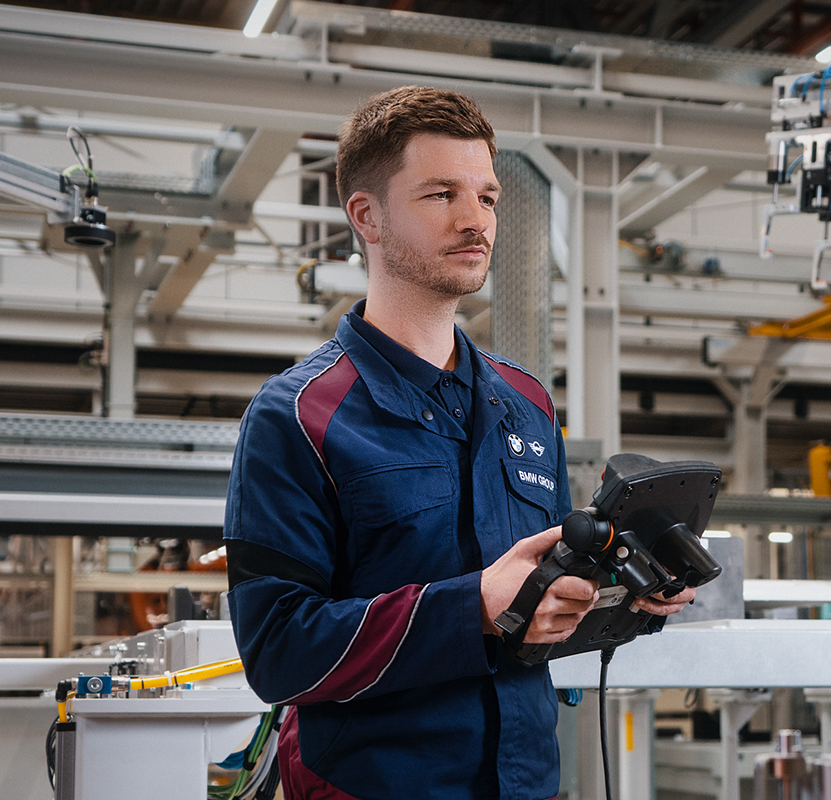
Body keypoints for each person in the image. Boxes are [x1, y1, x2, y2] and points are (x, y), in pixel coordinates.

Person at [224, 86, 695, 800]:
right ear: (367, 216)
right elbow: (277, 652)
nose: (475, 220)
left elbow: (536, 616)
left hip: (528, 782)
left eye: (488, 196)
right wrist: (472, 603)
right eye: (441, 194)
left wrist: (624, 599)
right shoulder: (301, 415)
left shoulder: (528, 403)